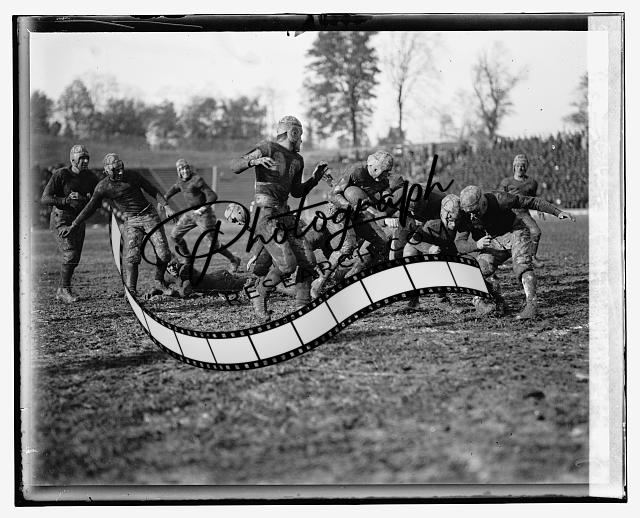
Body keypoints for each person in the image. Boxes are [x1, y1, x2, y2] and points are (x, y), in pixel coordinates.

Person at [229, 115, 328, 321]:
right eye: (300, 134)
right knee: (287, 266)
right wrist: (254, 161)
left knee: (308, 261)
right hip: (265, 214)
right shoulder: (267, 148)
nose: (301, 139)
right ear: (293, 132)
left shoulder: (298, 160)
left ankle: (302, 305)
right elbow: (235, 166)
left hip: (285, 214)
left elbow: (297, 192)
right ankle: (260, 294)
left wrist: (315, 179)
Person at [59, 153, 172, 298]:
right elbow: (90, 208)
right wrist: (74, 225)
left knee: (164, 254)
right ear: (107, 171)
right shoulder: (103, 187)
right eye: (115, 170)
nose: (120, 172)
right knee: (132, 256)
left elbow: (151, 189)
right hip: (132, 220)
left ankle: (159, 282)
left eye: (120, 168)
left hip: (149, 215)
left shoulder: (133, 176)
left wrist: (166, 205)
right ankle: (131, 290)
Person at [457, 185, 575, 320]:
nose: (472, 216)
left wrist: (557, 212)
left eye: (475, 211)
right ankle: (493, 300)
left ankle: (531, 305)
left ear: (483, 203)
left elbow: (532, 202)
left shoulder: (500, 199)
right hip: (494, 240)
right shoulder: (466, 215)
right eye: (468, 212)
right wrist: (476, 245)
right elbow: (460, 243)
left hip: (515, 231)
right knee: (478, 269)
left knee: (521, 265)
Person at [310, 150, 401, 298]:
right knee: (348, 244)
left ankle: (353, 276)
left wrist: (387, 200)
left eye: (387, 172)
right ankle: (320, 282)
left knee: (381, 242)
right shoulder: (356, 171)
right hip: (339, 211)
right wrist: (349, 205)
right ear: (372, 166)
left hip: (359, 213)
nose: (384, 175)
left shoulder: (383, 180)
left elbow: (379, 199)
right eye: (382, 171)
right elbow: (334, 194)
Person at [40, 145, 98, 303]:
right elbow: (45, 198)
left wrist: (86, 200)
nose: (85, 161)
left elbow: (98, 199)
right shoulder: (61, 174)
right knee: (70, 254)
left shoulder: (90, 177)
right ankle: (64, 290)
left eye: (87, 158)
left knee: (75, 258)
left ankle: (62, 289)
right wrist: (66, 200)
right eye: (81, 158)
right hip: (61, 218)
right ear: (73, 160)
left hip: (78, 219)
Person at [162, 158, 240, 272]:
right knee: (174, 236)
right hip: (191, 213)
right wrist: (164, 198)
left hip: (204, 215)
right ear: (178, 171)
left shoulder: (197, 179)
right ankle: (188, 258)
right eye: (182, 169)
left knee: (212, 245)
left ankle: (234, 260)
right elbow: (175, 188)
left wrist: (203, 208)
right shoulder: (180, 181)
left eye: (186, 168)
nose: (185, 171)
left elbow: (213, 196)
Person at [498, 154, 545, 267]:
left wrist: (539, 208)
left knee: (536, 232)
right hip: (509, 214)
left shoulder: (532, 182)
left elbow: (533, 198)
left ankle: (532, 257)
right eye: (518, 165)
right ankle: (496, 261)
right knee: (500, 236)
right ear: (514, 167)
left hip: (523, 214)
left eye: (523, 165)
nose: (520, 168)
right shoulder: (506, 182)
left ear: (526, 167)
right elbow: (498, 197)